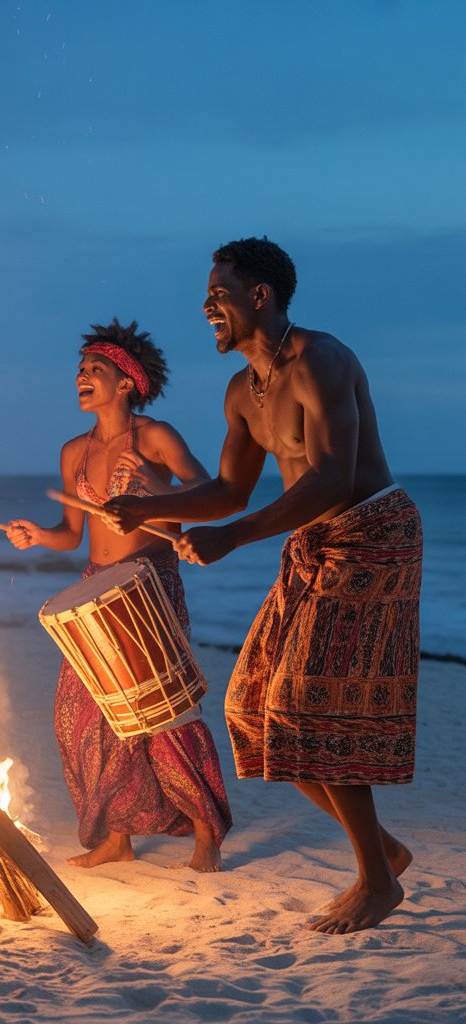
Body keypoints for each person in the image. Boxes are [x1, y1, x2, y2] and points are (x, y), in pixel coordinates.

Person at [108, 237, 421, 932]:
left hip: (373, 537)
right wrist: (148, 508)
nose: (205, 307)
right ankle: (384, 853)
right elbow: (227, 489)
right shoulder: (240, 393)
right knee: (253, 710)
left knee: (306, 703)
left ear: (259, 296)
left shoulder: (321, 360)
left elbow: (334, 477)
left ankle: (376, 882)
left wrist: (235, 538)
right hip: (314, 544)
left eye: (217, 294)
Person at [5, 318, 232, 871]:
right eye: (79, 370)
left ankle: (206, 833)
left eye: (95, 370)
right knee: (83, 716)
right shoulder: (73, 453)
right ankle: (117, 837)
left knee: (164, 712)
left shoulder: (155, 437)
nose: (81, 377)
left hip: (148, 583)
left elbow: (210, 495)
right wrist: (38, 536)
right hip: (93, 588)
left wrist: (154, 489)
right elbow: (71, 534)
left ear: (126, 381)